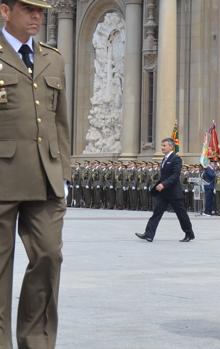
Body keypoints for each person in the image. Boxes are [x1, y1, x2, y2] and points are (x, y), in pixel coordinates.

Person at [0, 0, 69, 346]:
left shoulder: (52, 58)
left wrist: (64, 173)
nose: (37, 16)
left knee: (48, 255)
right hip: (2, 178)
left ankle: (36, 341)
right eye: (28, 9)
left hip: (46, 177)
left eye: (41, 11)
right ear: (4, 10)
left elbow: (60, 122)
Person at [135, 138, 196, 242]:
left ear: (171, 147)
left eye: (164, 145)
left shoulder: (176, 159)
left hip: (174, 193)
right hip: (164, 193)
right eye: (162, 145)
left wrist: (163, 184)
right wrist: (158, 186)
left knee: (181, 215)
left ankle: (189, 234)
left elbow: (175, 175)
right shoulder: (165, 159)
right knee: (156, 213)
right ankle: (149, 234)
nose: (162, 147)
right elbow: (164, 176)